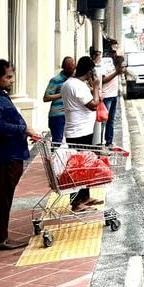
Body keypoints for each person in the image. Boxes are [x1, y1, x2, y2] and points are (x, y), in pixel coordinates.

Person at [0, 59, 40, 251]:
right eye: (8, 77)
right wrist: (23, 129)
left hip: (8, 153)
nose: (12, 81)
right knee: (3, 198)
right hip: (3, 156)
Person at [60, 55, 102, 211]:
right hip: (80, 132)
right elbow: (93, 105)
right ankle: (77, 202)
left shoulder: (68, 84)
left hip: (76, 130)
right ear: (90, 71)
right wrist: (96, 86)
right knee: (79, 168)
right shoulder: (78, 86)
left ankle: (85, 196)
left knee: (83, 166)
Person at [42, 56, 76, 143]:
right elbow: (46, 97)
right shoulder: (56, 80)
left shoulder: (74, 79)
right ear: (63, 68)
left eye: (72, 68)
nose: (71, 70)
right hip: (57, 115)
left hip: (70, 113)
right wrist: (62, 94)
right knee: (57, 141)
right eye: (68, 68)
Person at [100, 55, 125, 146]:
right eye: (122, 65)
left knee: (111, 120)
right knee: (104, 120)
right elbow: (102, 80)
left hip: (114, 96)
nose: (123, 67)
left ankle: (109, 141)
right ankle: (100, 142)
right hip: (106, 96)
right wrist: (116, 73)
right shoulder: (107, 68)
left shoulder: (117, 70)